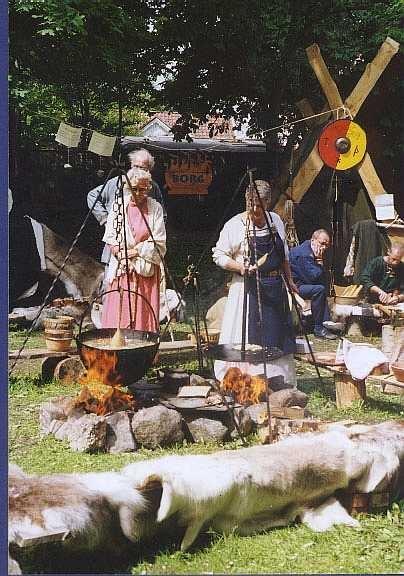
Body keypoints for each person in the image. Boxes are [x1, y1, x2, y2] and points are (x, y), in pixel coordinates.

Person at [212, 180, 298, 387]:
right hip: (246, 289)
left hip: (274, 287)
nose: (254, 209)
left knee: (276, 334)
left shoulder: (275, 221)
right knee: (247, 337)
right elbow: (219, 255)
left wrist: (290, 281)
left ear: (268, 203)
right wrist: (240, 267)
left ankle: (278, 379)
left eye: (259, 205)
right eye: (251, 203)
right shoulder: (235, 225)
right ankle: (245, 379)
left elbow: (283, 254)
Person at [101, 168, 166, 332]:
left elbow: (159, 241)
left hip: (146, 269)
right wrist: (121, 255)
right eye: (134, 189)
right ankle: (116, 348)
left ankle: (144, 349)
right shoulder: (118, 206)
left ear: (148, 188)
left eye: (142, 189)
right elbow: (111, 236)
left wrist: (134, 252)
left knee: (144, 311)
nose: (138, 193)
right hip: (123, 267)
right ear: (127, 188)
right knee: (120, 309)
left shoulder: (155, 208)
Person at [87, 148, 166, 265]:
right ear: (131, 165)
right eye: (135, 166)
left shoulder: (153, 187)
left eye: (142, 168)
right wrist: (105, 219)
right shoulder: (117, 182)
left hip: (143, 251)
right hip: (117, 246)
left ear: (149, 170)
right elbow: (93, 196)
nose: (137, 171)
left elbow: (162, 216)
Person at [289, 229, 338, 340]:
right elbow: (312, 278)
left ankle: (324, 322)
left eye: (327, 245)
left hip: (300, 284)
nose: (324, 247)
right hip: (294, 288)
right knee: (319, 289)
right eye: (322, 243)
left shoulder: (309, 249)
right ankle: (318, 328)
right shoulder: (304, 254)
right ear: (313, 240)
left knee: (321, 287)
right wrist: (319, 261)